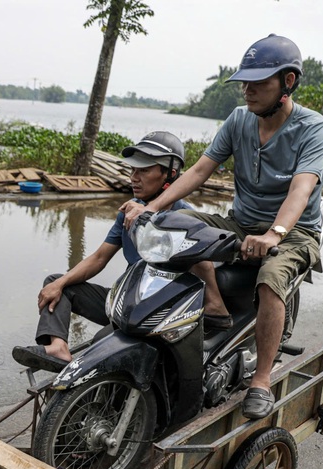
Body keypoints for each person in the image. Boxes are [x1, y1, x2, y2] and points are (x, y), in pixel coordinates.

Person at [122, 34, 323, 420]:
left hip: (295, 230)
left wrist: (275, 235)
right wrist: (149, 207)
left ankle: (261, 380)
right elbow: (201, 170)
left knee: (270, 279)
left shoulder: (313, 128)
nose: (247, 90)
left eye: (259, 82)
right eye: (244, 82)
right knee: (172, 225)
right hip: (239, 222)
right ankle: (214, 306)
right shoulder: (239, 119)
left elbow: (301, 189)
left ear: (287, 83)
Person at [12, 131, 196, 373]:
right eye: (132, 171)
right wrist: (61, 283)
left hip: (156, 312)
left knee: (103, 341)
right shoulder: (128, 212)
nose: (134, 178)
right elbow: (99, 258)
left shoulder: (185, 218)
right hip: (126, 301)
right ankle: (58, 347)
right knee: (57, 284)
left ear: (170, 174)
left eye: (143, 171)